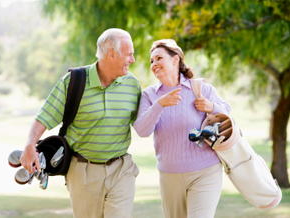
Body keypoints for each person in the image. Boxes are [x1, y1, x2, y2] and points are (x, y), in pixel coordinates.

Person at [20, 28, 141, 218]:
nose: (132, 60)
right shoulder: (74, 82)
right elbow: (44, 116)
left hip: (121, 169)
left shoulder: (132, 84)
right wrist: (29, 145)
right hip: (84, 171)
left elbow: (143, 122)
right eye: (129, 54)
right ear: (111, 54)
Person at [134, 39, 231, 218]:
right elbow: (142, 130)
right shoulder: (149, 95)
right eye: (151, 61)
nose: (154, 64)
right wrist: (159, 105)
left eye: (159, 58)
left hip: (206, 171)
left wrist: (211, 107)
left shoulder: (199, 87)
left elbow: (228, 115)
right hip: (170, 176)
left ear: (175, 59)